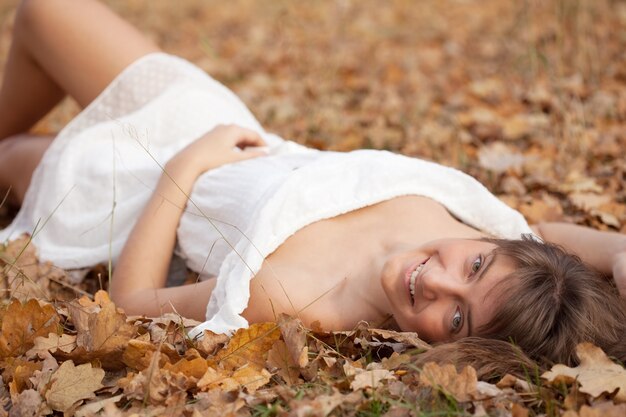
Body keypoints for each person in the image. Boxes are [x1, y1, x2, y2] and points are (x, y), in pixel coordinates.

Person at [1, 0, 624, 372]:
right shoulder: (479, 231)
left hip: (143, 187)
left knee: (11, 157)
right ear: (500, 246)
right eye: (476, 265)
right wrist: (619, 252)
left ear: (457, 351)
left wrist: (185, 166)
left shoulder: (302, 299)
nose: (435, 281)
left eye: (456, 317)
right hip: (219, 124)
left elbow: (133, 302)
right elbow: (545, 237)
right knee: (46, 11)